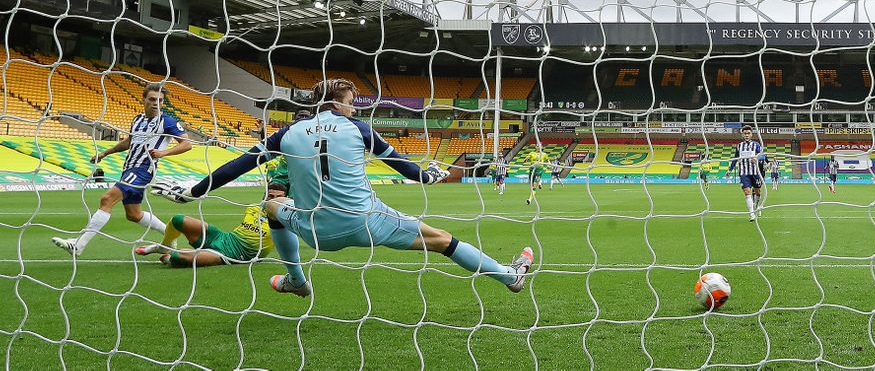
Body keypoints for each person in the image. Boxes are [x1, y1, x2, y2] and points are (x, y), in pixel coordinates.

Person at [152, 78, 533, 297]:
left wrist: (195, 191)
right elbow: (410, 172)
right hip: (369, 221)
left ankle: (297, 280)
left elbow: (236, 167)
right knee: (442, 240)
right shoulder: (359, 129)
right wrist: (430, 175)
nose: (355, 108)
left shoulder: (286, 133)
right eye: (352, 103)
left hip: (316, 231)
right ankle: (508, 276)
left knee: (272, 207)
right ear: (337, 103)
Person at [52, 83, 193, 256]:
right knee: (134, 215)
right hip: (128, 169)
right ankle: (170, 236)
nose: (156, 103)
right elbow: (129, 142)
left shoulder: (168, 121)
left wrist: (163, 152)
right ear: (143, 99)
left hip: (143, 170)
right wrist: (105, 153)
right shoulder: (138, 120)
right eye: (152, 99)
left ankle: (78, 245)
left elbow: (187, 144)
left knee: (107, 199)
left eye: (160, 100)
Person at [135, 183, 285, 267]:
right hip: (224, 238)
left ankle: (195, 253)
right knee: (178, 220)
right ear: (264, 195)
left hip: (234, 255)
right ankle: (163, 246)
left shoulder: (284, 218)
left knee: (175, 258)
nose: (273, 200)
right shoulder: (253, 207)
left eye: (278, 197)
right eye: (270, 196)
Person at [723, 125, 764, 222]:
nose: (746, 135)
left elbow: (763, 156)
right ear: (742, 134)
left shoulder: (756, 145)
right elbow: (735, 158)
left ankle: (756, 205)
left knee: (758, 192)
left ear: (751, 134)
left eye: (748, 133)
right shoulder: (739, 146)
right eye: (745, 133)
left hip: (755, 172)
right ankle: (752, 214)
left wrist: (757, 158)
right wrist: (730, 170)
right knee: (747, 192)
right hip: (743, 172)